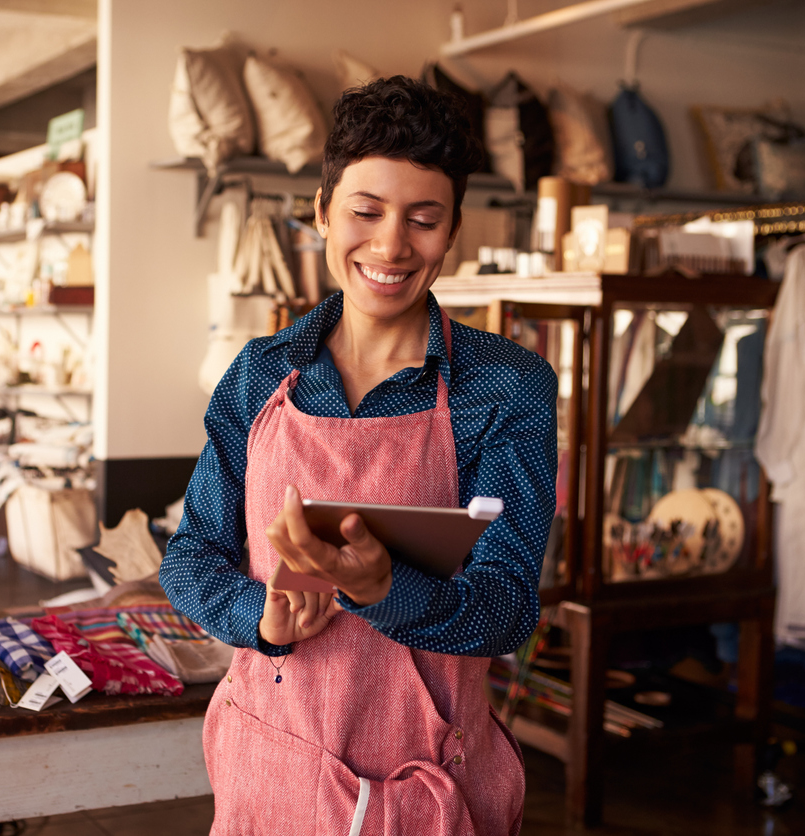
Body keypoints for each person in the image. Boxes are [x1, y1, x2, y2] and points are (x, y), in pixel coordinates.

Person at [160, 75, 557, 836]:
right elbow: (190, 557)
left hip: (428, 782)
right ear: (320, 213)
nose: (390, 246)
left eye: (423, 220)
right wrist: (263, 617)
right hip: (269, 768)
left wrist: (384, 590)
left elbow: (508, 610)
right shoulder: (258, 375)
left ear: (454, 231)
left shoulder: (508, 389)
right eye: (365, 212)